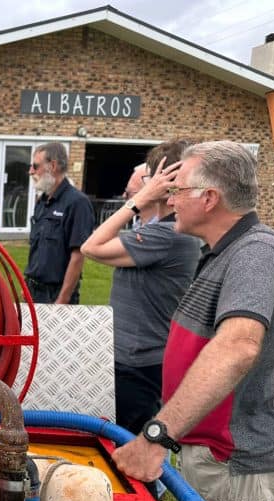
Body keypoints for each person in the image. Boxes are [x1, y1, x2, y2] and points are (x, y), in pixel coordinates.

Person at [111, 141, 274, 501]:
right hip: (205, 457)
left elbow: (239, 345)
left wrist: (155, 438)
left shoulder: (256, 252)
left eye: (178, 190)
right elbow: (262, 337)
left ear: (209, 198)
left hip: (230, 464)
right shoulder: (224, 251)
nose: (170, 200)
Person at [81, 140, 201, 436]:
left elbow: (91, 247)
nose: (143, 185)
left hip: (139, 365)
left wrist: (138, 200)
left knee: (130, 446)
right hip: (131, 358)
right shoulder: (159, 230)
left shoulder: (169, 236)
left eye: (149, 177)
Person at [24, 142, 94, 304]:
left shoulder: (77, 203)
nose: (31, 171)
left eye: (36, 166)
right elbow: (36, 247)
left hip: (56, 293)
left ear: (53, 166)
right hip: (33, 289)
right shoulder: (42, 201)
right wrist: (27, 285)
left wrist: (63, 298)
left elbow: (78, 255)